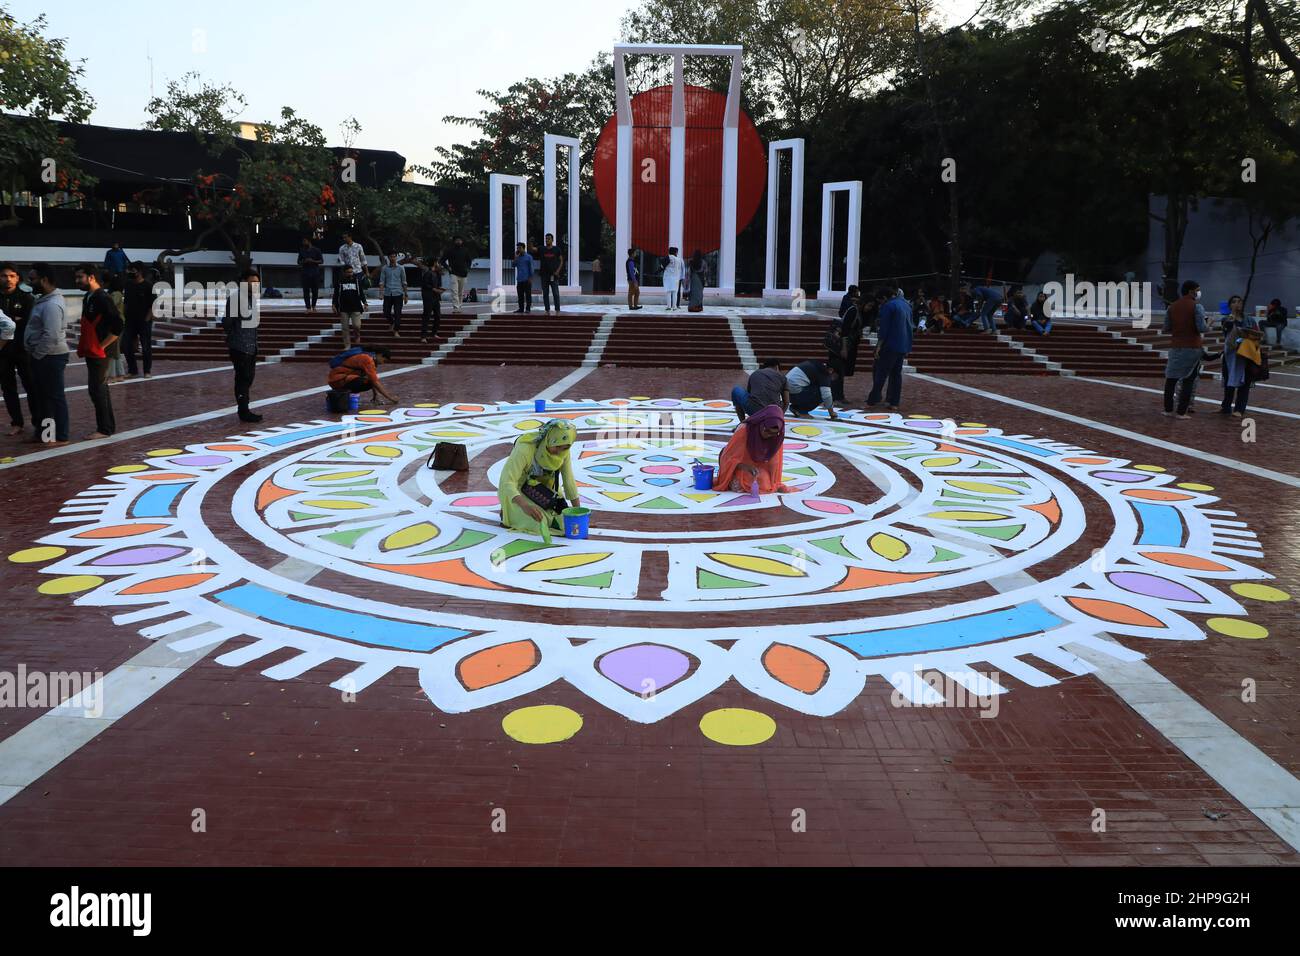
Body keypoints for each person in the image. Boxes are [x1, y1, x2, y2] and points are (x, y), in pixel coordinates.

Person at [497, 419, 581, 534]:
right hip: (519, 491)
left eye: (565, 448)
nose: (559, 452)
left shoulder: (563, 451)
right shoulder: (525, 448)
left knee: (563, 520)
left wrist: (579, 514)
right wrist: (525, 506)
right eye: (556, 446)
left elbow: (569, 480)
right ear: (549, 439)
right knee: (538, 522)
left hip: (546, 492)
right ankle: (507, 511)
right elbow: (507, 482)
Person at [73, 266, 123, 440]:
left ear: (91, 277)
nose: (77, 281)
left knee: (96, 389)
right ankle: (107, 426)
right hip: (91, 349)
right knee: (100, 388)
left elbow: (118, 325)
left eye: (80, 277)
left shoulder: (103, 298)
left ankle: (104, 429)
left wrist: (101, 346)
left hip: (99, 351)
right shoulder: (89, 296)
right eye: (76, 277)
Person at [24, 263, 70, 445]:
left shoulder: (51, 304)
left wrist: (37, 355)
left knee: (54, 396)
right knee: (43, 398)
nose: (30, 282)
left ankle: (61, 435)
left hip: (50, 356)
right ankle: (45, 434)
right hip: (44, 356)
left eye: (32, 279)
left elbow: (51, 335)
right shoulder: (43, 300)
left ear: (44, 280)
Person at [714, 405, 792, 495]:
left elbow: (775, 463)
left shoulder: (776, 438)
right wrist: (745, 467)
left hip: (758, 469)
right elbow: (727, 457)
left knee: (765, 484)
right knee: (740, 484)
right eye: (766, 430)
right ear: (761, 423)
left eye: (773, 433)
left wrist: (773, 482)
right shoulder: (745, 430)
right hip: (740, 466)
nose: (768, 435)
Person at [0, 261, 36, 437]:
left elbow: (29, 324)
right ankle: (17, 422)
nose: (8, 279)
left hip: (23, 350)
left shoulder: (26, 298)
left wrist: (13, 322)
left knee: (31, 386)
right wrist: (15, 320)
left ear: (18, 278)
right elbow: (13, 323)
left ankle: (37, 421)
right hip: (2, 352)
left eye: (12, 276)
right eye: (4, 276)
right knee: (8, 388)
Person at [223, 268, 263, 424]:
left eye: (257, 282)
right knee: (242, 379)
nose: (256, 285)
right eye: (253, 282)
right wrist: (234, 336)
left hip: (251, 346)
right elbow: (227, 322)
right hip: (240, 346)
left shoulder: (251, 298)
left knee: (248, 379)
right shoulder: (236, 298)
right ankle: (243, 411)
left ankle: (245, 409)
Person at [1162, 280, 1206, 419]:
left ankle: (1168, 410)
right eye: (1197, 290)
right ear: (1191, 291)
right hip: (1192, 347)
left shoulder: (1172, 307)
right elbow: (1201, 328)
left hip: (1175, 347)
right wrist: (1208, 323)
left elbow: (1166, 328)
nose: (1198, 292)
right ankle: (1181, 412)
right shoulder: (1197, 307)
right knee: (1188, 379)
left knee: (1171, 379)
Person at [867, 286, 913, 411]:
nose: (880, 304)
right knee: (896, 374)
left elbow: (884, 329)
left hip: (890, 345)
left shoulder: (889, 306)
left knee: (880, 373)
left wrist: (878, 346)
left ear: (884, 298)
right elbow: (910, 327)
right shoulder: (906, 305)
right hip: (902, 345)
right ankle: (894, 402)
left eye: (880, 301)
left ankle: (873, 400)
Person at [1220, 294, 1262, 418]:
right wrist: (1232, 316)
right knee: (1229, 380)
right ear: (1230, 305)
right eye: (1234, 302)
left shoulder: (1249, 320)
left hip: (1245, 354)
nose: (1237, 304)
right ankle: (1226, 407)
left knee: (1244, 383)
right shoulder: (1227, 319)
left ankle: (1239, 408)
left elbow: (1258, 335)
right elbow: (1226, 329)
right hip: (1231, 354)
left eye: (1239, 302)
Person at [121, 262, 158, 378]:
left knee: (146, 346)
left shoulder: (148, 286)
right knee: (126, 345)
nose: (130, 273)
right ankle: (133, 370)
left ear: (140, 271)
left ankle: (147, 371)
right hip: (130, 321)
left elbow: (154, 304)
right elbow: (125, 303)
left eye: (133, 270)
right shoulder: (128, 285)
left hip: (144, 321)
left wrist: (147, 319)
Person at [328, 346, 398, 405]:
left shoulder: (369, 357)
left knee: (367, 381)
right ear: (380, 355)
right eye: (384, 360)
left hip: (338, 379)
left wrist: (376, 396)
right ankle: (342, 394)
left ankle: (343, 395)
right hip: (337, 380)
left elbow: (371, 378)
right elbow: (375, 382)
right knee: (365, 382)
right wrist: (391, 398)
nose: (382, 363)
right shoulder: (367, 359)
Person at [828, 291, 865, 403]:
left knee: (840, 371)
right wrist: (844, 348)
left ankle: (837, 395)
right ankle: (836, 396)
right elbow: (845, 331)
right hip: (840, 347)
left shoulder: (857, 311)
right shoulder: (853, 311)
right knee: (838, 370)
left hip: (848, 346)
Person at [332, 265, 367, 348]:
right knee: (345, 328)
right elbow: (336, 294)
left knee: (356, 325)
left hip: (356, 307)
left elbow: (361, 292)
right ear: (344, 273)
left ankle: (357, 334)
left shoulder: (356, 281)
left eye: (351, 272)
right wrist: (333, 304)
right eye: (348, 272)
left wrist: (365, 302)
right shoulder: (340, 282)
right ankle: (347, 345)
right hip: (344, 308)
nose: (350, 274)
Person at [105, 273, 128, 383]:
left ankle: (115, 375)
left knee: (114, 349)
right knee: (115, 349)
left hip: (116, 324)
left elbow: (110, 306)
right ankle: (118, 374)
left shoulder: (116, 294)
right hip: (115, 323)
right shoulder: (115, 293)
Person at [377, 253, 407, 336]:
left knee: (398, 313)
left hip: (398, 293)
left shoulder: (401, 268)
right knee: (386, 311)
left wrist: (406, 294)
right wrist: (381, 293)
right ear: (388, 257)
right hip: (388, 293)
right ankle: (391, 322)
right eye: (391, 256)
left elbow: (404, 281)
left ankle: (396, 330)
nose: (393, 258)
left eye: (394, 256)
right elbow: (382, 281)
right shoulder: (385, 268)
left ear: (396, 257)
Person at [442, 236, 473, 313]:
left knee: (461, 292)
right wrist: (448, 268)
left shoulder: (465, 250)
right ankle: (456, 307)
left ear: (462, 241)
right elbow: (442, 260)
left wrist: (467, 269)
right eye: (457, 240)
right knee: (454, 291)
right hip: (453, 274)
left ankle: (459, 306)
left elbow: (469, 261)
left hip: (463, 274)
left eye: (460, 240)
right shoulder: (449, 250)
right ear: (454, 241)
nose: (459, 242)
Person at [418, 259, 443, 342]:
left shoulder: (437, 273)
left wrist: (440, 290)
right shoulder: (427, 273)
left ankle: (434, 332)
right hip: (428, 297)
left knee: (438, 316)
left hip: (436, 297)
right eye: (437, 262)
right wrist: (434, 289)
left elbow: (438, 285)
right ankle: (423, 336)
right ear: (434, 263)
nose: (439, 264)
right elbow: (425, 285)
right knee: (427, 316)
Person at [539, 233, 564, 315]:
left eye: (549, 238)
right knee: (545, 293)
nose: (547, 240)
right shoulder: (542, 249)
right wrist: (530, 243)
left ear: (552, 240)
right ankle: (547, 310)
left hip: (553, 275)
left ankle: (557, 310)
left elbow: (561, 261)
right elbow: (533, 249)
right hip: (544, 275)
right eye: (546, 238)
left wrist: (557, 271)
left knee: (555, 293)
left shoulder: (556, 249)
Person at [298, 237, 324, 313]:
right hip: (305, 273)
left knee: (315, 291)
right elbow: (298, 261)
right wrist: (304, 261)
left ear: (309, 241)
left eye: (304, 241)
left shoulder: (317, 250)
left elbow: (321, 261)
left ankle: (314, 306)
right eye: (303, 241)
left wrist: (313, 261)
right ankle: (308, 308)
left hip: (315, 273)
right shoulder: (302, 250)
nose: (303, 243)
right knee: (306, 291)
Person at [513, 242, 535, 314]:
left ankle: (528, 308)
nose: (518, 249)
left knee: (528, 295)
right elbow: (513, 265)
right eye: (517, 248)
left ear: (523, 248)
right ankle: (521, 308)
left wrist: (530, 278)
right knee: (520, 295)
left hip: (527, 279)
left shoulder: (529, 257)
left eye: (519, 248)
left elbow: (531, 268)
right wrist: (515, 257)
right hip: (520, 279)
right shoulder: (517, 257)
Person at [662, 246, 684, 311]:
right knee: (675, 292)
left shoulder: (668, 257)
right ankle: (674, 307)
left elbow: (662, 266)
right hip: (676, 277)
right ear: (675, 252)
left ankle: (669, 306)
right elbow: (680, 269)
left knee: (668, 292)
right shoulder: (679, 260)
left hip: (668, 277)